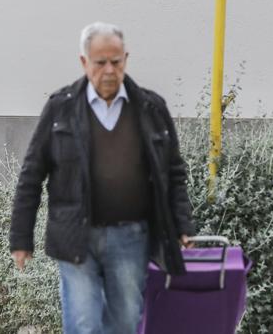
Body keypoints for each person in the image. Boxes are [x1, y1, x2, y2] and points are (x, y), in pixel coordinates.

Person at [10, 22, 196, 334]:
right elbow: (31, 174)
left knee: (124, 322)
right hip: (75, 235)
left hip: (131, 237)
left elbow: (174, 173)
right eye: (100, 62)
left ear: (125, 59)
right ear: (84, 62)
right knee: (83, 324)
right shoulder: (61, 108)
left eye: (116, 61)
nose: (109, 70)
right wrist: (20, 238)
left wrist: (183, 226)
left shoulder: (151, 108)